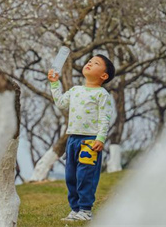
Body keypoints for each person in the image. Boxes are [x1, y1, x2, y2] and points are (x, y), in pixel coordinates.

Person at [48, 54, 115, 222]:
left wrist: (100, 138)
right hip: (72, 140)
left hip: (90, 142)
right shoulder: (75, 90)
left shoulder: (102, 94)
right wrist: (54, 83)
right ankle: (75, 209)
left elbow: (104, 118)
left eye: (96, 63)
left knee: (85, 176)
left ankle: (85, 210)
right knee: (71, 176)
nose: (89, 64)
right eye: (89, 61)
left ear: (104, 76)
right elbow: (61, 103)